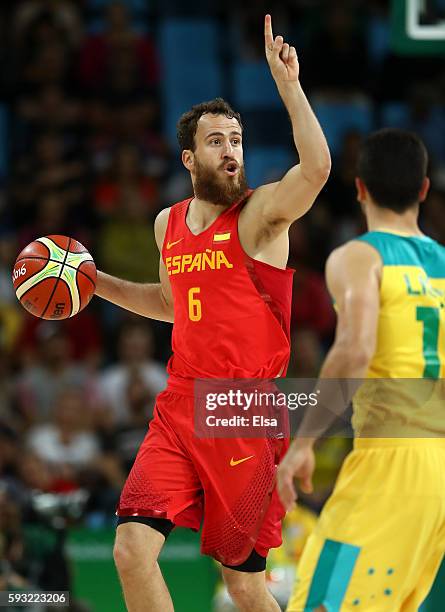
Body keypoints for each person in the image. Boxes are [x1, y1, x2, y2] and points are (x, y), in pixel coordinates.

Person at [95, 15, 330, 612]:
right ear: (189, 158)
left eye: (237, 140)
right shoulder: (166, 223)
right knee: (129, 551)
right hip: (179, 405)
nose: (231, 152)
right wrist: (96, 283)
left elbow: (317, 170)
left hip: (241, 410)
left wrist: (289, 86)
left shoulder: (260, 215)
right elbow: (172, 306)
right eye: (217, 141)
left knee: (243, 583)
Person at [278, 128, 445, 611]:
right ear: (424, 190)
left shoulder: (359, 256)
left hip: (393, 460)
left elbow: (355, 348)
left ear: (360, 188)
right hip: (437, 472)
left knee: (319, 602)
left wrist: (303, 444)